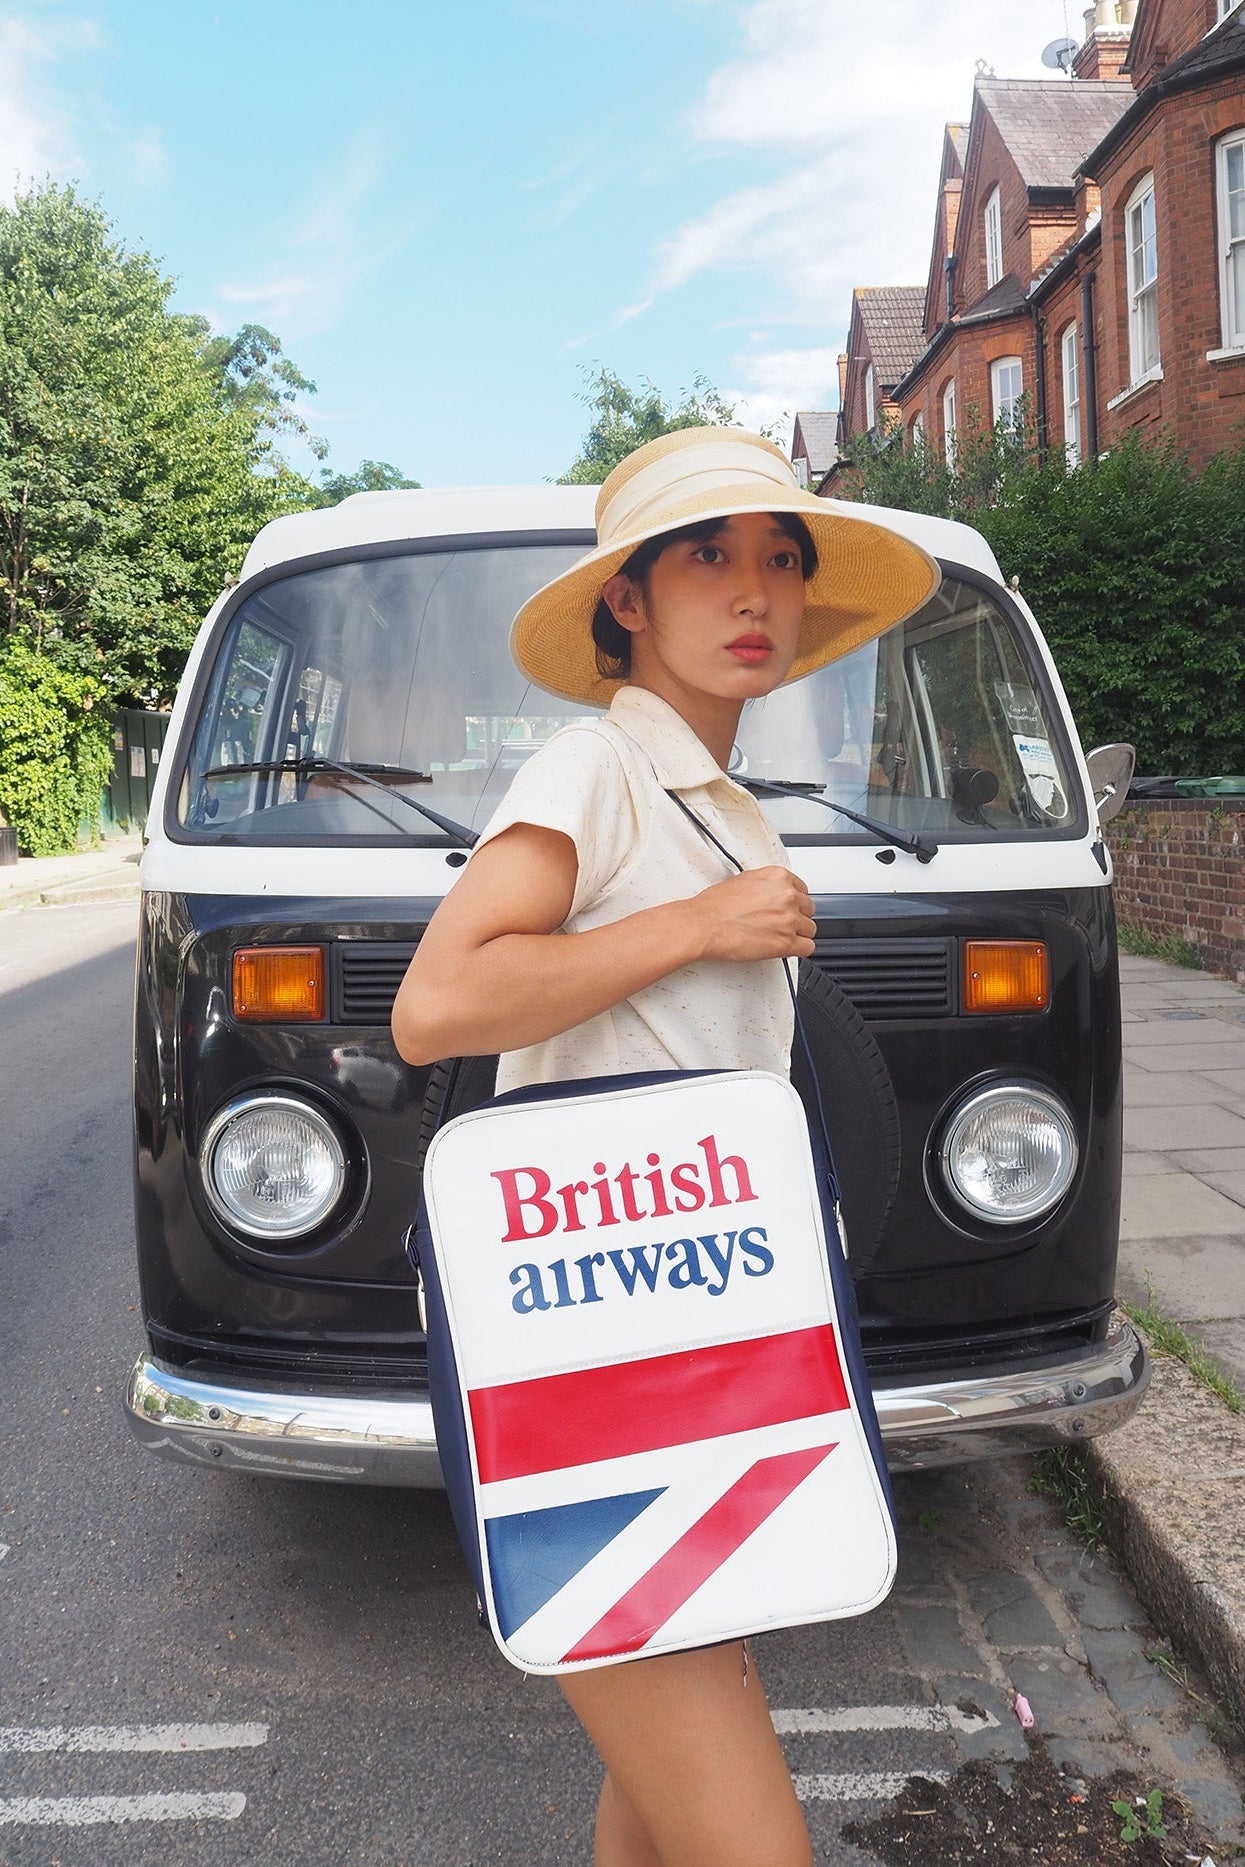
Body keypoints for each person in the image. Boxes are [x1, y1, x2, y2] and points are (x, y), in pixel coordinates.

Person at [392, 426, 938, 1867]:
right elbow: (436, 1006)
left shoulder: (714, 803)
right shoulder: (594, 767)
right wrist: (701, 924)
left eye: (778, 559)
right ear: (626, 600)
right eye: (707, 556)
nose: (752, 591)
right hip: (584, 1387)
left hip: (697, 1362)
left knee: (656, 1821)